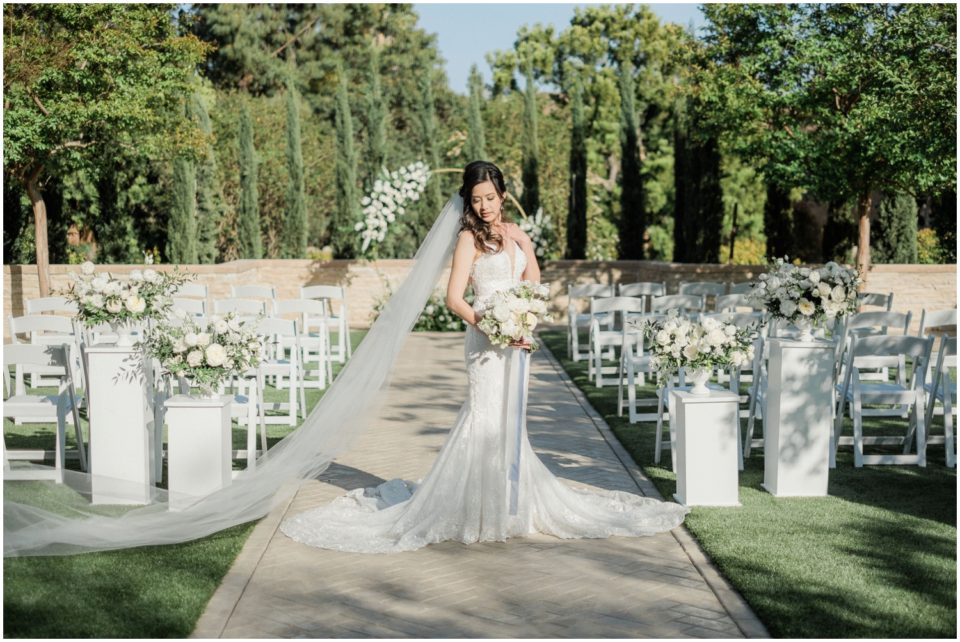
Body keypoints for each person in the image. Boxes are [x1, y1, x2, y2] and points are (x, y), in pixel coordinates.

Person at [280, 161, 688, 553]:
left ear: (503, 195)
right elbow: (455, 299)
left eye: (490, 197)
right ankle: (476, 509)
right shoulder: (467, 239)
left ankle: (511, 502)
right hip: (487, 342)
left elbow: (532, 283)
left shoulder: (514, 233)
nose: (484, 206)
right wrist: (494, 328)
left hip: (518, 342)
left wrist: (525, 255)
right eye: (476, 199)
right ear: (468, 202)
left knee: (511, 423)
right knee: (485, 418)